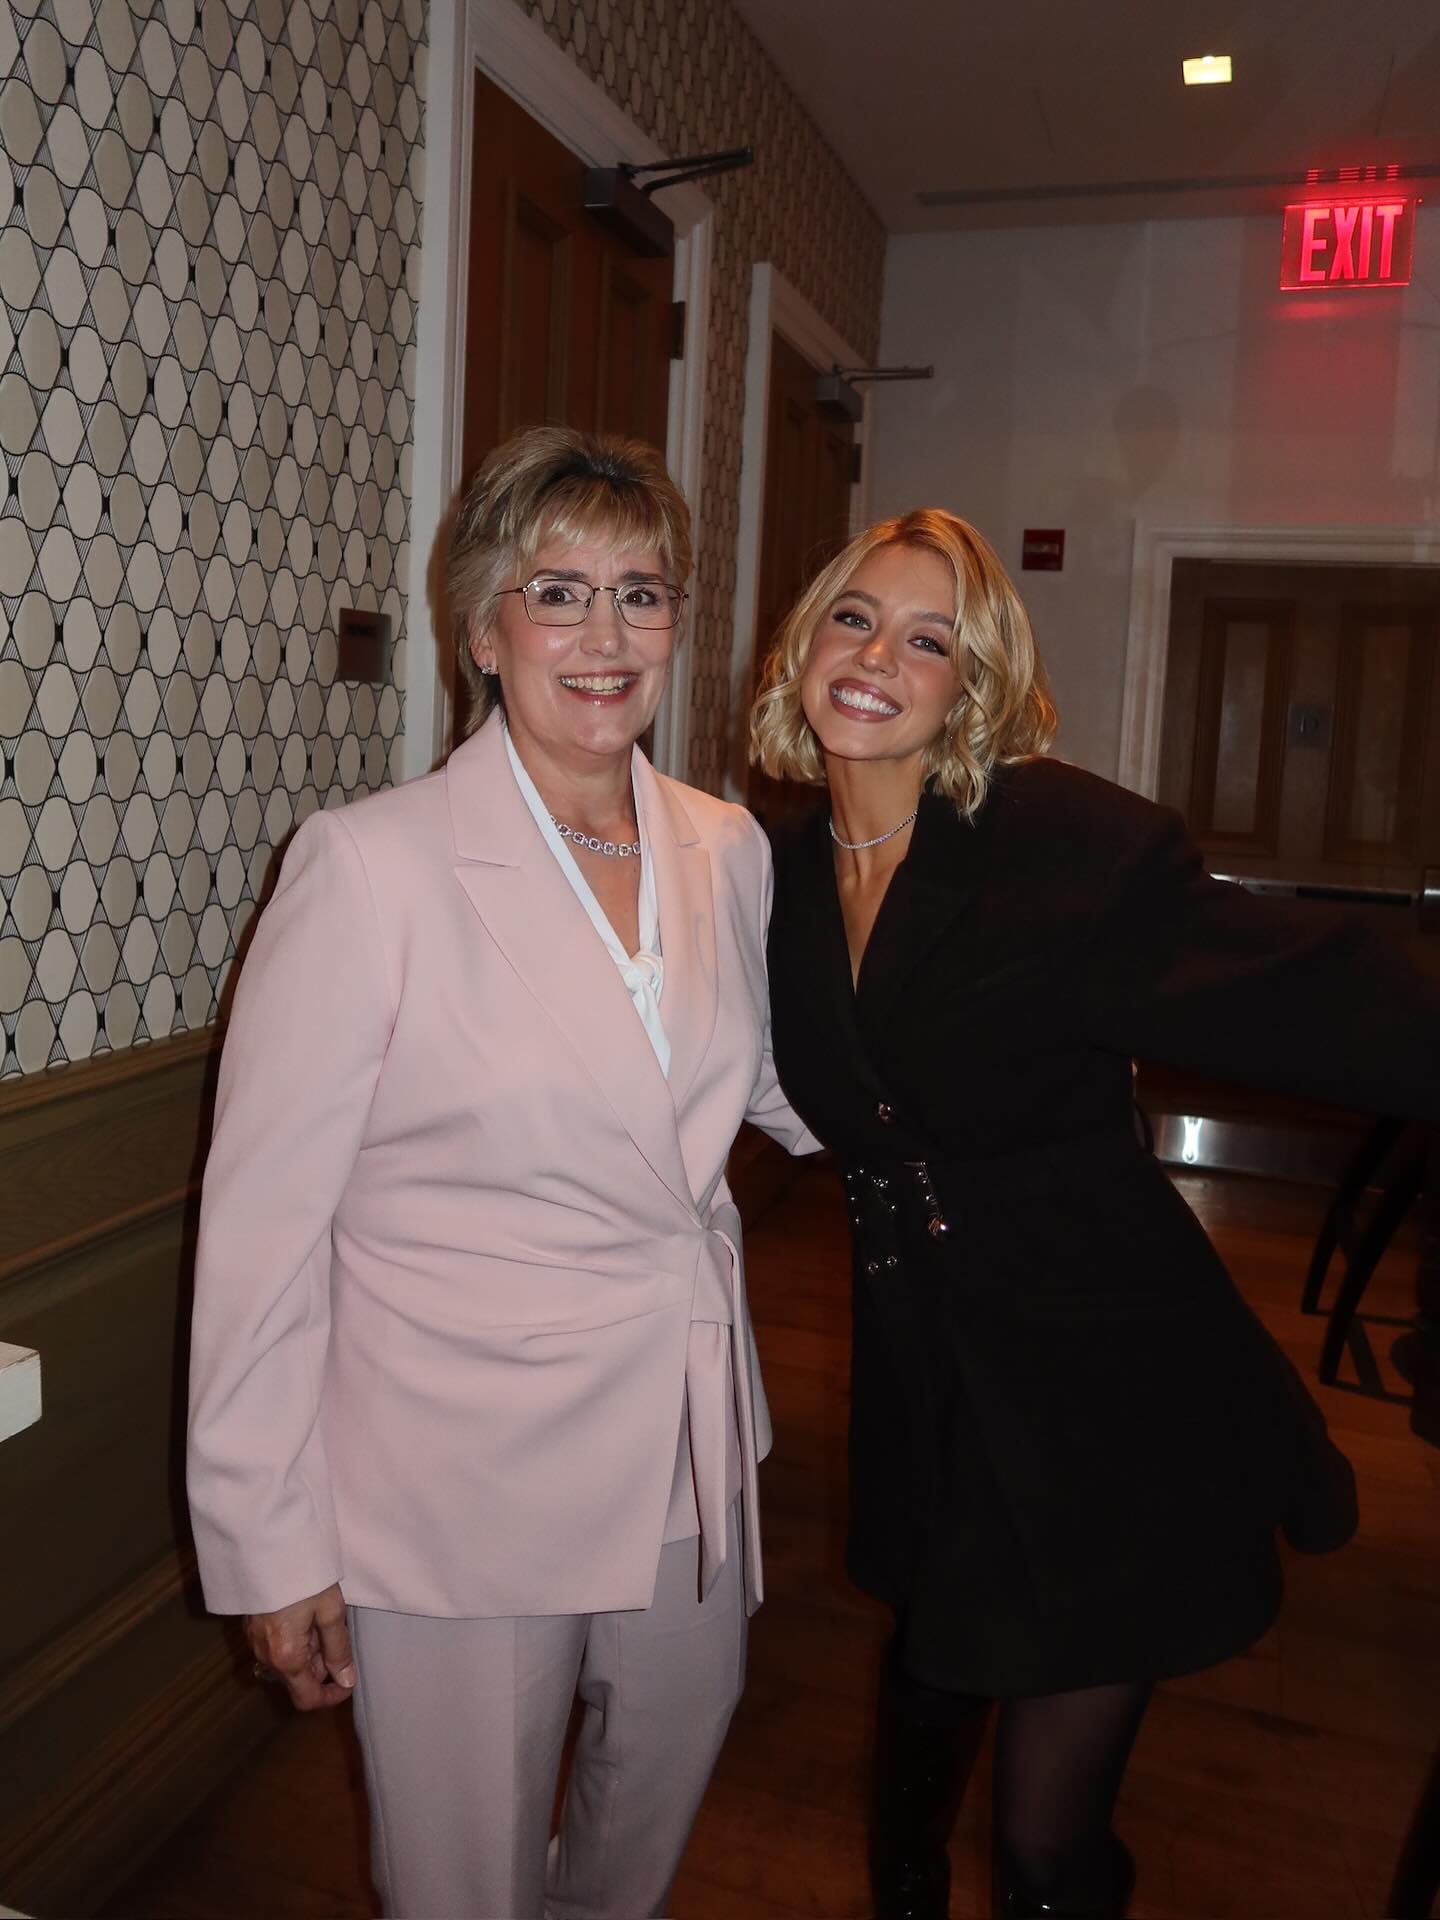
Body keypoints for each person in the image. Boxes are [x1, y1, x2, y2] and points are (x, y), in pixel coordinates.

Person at [751, 508, 1440, 1919]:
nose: (877, 657)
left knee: (1045, 1840)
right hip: (926, 1362)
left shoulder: (1054, 845)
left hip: (1104, 1377)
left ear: (973, 686)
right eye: (855, 619)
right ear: (804, 643)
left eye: (929, 640)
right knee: (932, 1679)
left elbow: (1305, 986)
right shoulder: (772, 874)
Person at [187, 426, 816, 1920]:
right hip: (457, 1479)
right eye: (559, 593)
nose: (607, 636)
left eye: (641, 593)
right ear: (482, 630)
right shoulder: (370, 867)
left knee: (653, 1801)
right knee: (464, 1876)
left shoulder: (727, 847)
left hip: (687, 1440)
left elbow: (766, 1083)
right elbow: (264, 1234)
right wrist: (270, 1541)